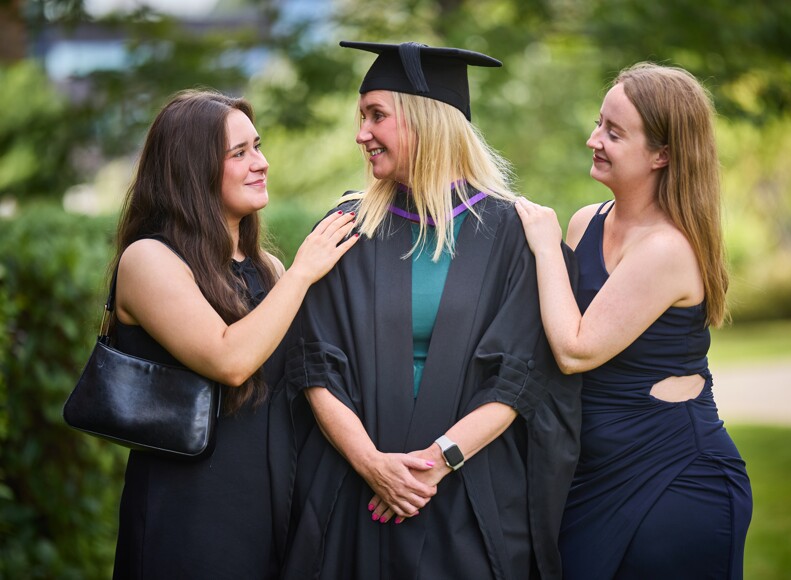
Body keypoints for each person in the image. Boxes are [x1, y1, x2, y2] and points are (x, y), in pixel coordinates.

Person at [280, 41, 582, 580]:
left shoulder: (516, 235)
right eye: (360, 117)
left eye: (377, 115)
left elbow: (517, 378)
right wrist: (373, 465)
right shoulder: (347, 229)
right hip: (355, 491)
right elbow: (314, 365)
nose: (361, 134)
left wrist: (433, 466)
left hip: (470, 495)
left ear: (426, 121)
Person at [515, 62, 753, 579]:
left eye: (614, 133)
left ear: (661, 154)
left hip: (674, 478)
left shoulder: (667, 248)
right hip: (588, 473)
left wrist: (544, 246)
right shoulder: (586, 222)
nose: (593, 140)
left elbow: (575, 349)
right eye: (598, 124)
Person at [110, 89, 358, 579]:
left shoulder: (268, 268)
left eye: (257, 147)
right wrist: (302, 273)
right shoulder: (149, 260)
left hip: (270, 504)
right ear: (192, 169)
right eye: (239, 153)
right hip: (189, 513)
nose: (261, 163)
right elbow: (230, 360)